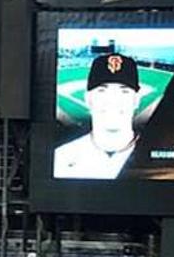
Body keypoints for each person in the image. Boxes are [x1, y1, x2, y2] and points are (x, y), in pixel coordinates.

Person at [54, 51, 146, 179]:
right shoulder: (61, 157)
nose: (113, 100)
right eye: (102, 90)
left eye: (124, 91)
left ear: (136, 100)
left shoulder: (159, 158)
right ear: (88, 99)